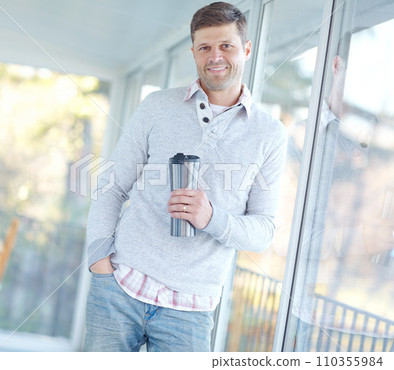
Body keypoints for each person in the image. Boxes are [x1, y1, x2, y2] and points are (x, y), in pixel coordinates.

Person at [83, 1, 287, 352]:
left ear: (247, 49)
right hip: (120, 288)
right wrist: (100, 263)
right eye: (205, 47)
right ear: (193, 52)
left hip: (191, 309)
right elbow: (112, 185)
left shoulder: (270, 134)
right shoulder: (157, 106)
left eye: (226, 46)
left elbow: (263, 231)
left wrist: (211, 218)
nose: (215, 56)